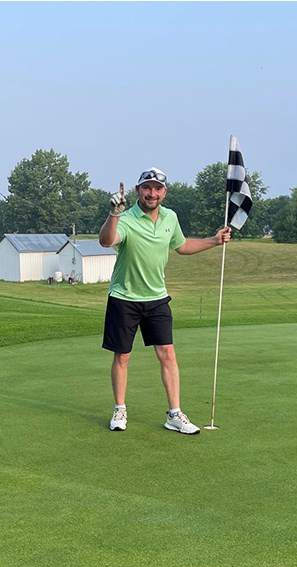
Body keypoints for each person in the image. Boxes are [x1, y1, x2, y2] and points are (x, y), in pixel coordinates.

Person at [98, 166, 231, 434]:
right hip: (124, 297)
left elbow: (181, 246)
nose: (152, 193)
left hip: (157, 298)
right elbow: (106, 241)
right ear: (138, 191)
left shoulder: (170, 217)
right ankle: (120, 409)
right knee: (122, 356)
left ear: (164, 192)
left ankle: (174, 414)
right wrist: (114, 214)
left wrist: (214, 241)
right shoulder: (126, 218)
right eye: (147, 188)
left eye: (157, 189)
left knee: (167, 354)